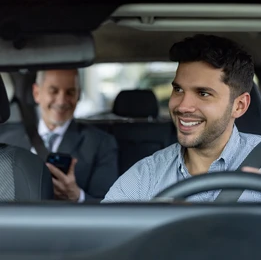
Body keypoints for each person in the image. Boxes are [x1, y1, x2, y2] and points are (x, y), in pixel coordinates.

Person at [102, 34, 261, 202]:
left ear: (239, 105)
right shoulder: (146, 176)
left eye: (203, 93)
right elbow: (103, 226)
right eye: (178, 90)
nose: (183, 106)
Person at [0, 69, 119, 202]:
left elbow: (108, 205)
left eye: (70, 92)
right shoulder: (6, 140)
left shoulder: (100, 143)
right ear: (37, 93)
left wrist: (78, 196)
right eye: (53, 91)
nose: (62, 101)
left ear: (78, 95)